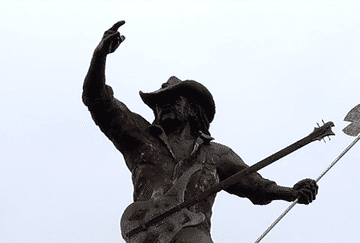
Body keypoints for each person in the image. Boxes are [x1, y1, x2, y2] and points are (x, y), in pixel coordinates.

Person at [82, 20, 318, 243]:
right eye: (159, 102)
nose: (163, 104)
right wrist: (99, 55)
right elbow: (98, 100)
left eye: (173, 99)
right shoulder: (141, 138)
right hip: (149, 236)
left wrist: (290, 192)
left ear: (193, 109)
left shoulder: (216, 154)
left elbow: (254, 185)